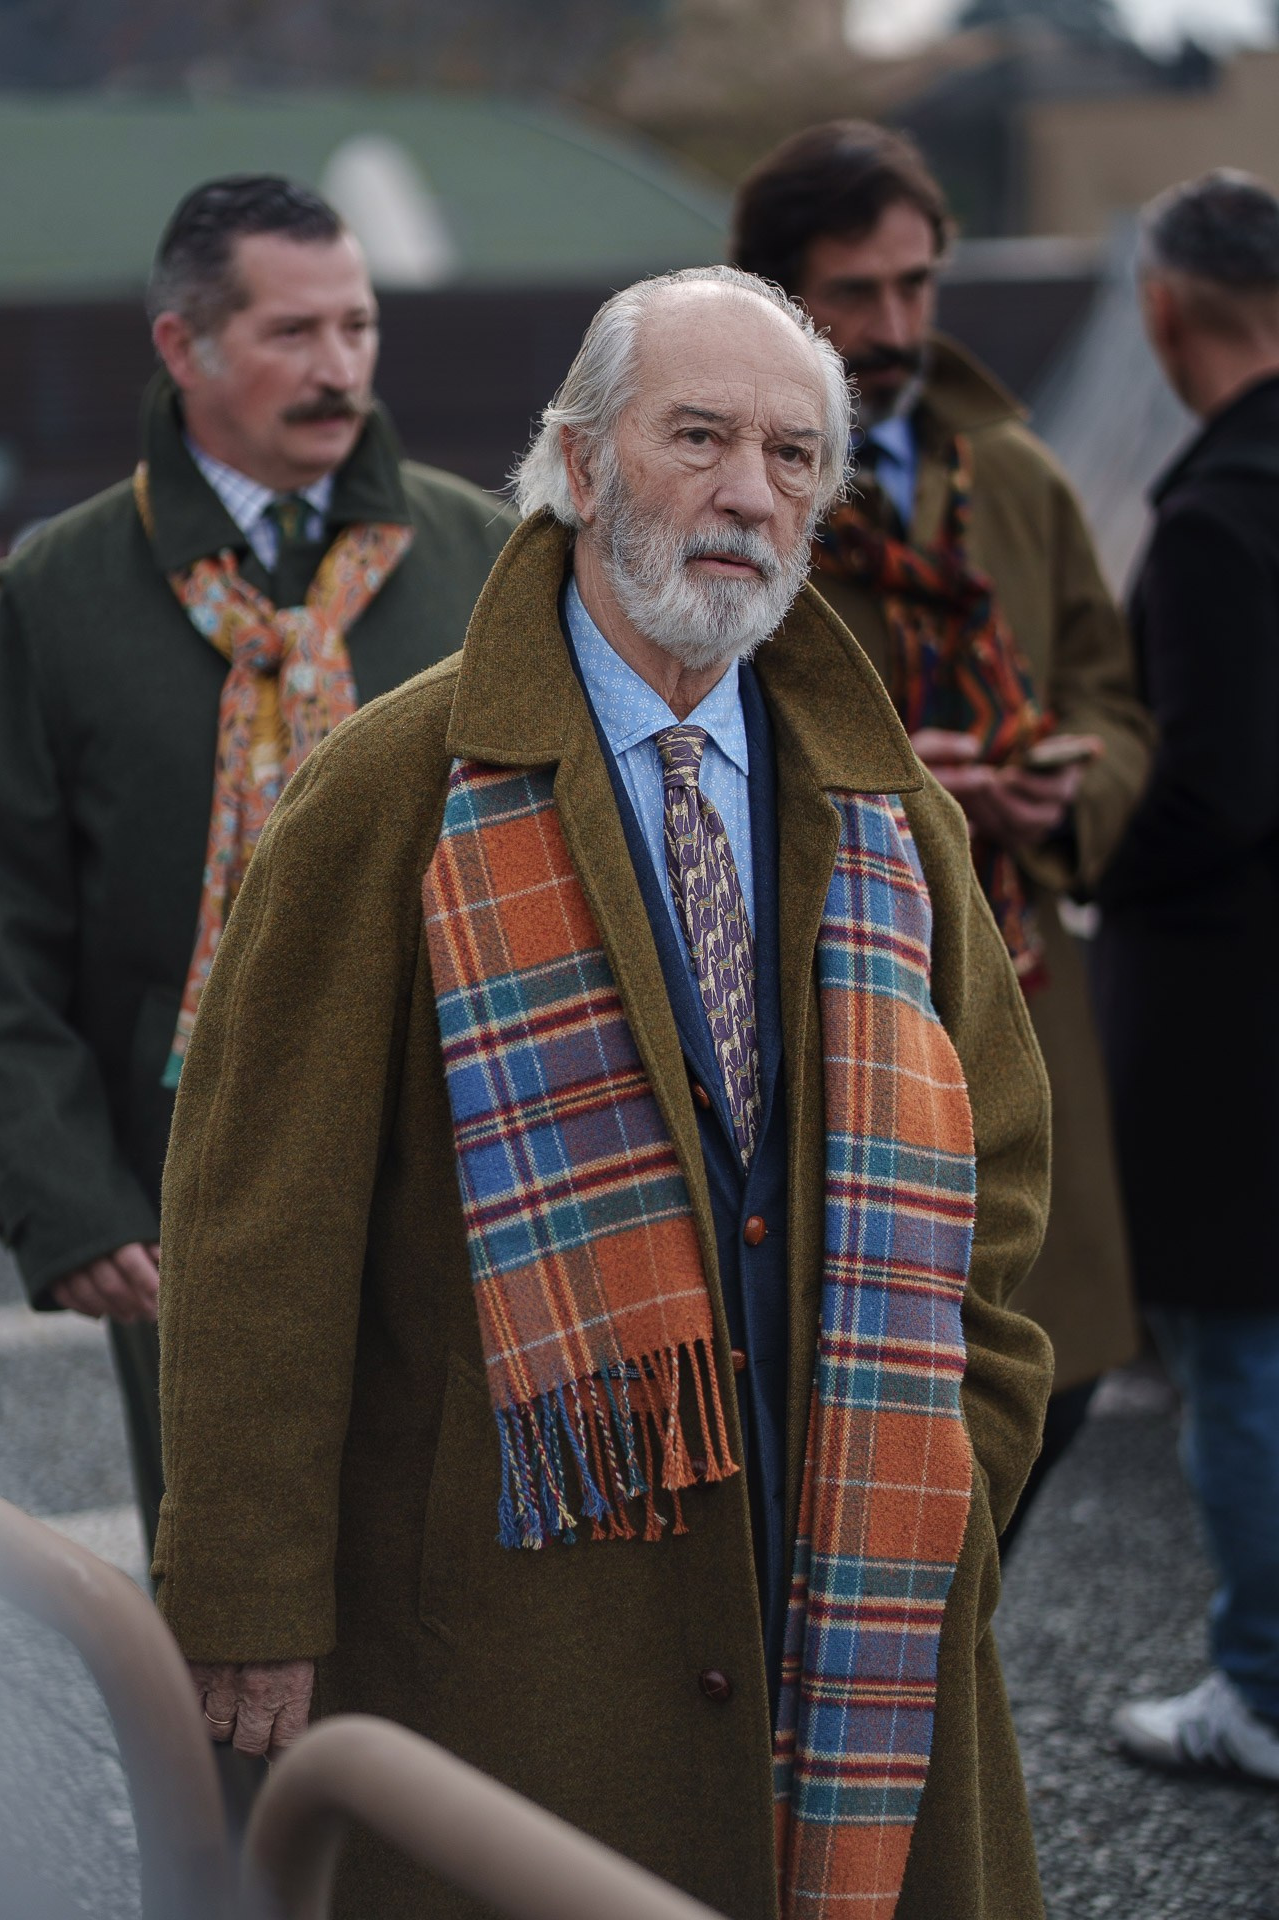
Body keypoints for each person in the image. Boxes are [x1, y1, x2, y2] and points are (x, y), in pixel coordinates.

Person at [155, 265, 1056, 1920]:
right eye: (697, 436)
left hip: (851, 1559)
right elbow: (259, 1235)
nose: (749, 493)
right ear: (577, 464)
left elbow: (1000, 1180)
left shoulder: (890, 811)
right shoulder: (386, 794)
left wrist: (958, 1465)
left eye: (793, 456)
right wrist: (248, 1593)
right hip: (511, 1622)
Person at [0, 175, 514, 1553]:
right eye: (293, 332)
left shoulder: (487, 558)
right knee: (238, 1576)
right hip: (190, 1180)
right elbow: (9, 929)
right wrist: (66, 1198)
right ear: (183, 345)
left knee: (464, 1567)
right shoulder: (55, 593)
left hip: (470, 1150)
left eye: (358, 325)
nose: (339, 366)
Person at [731, 123, 1152, 1540]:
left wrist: (1068, 787)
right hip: (819, 1003)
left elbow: (1106, 690)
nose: (898, 325)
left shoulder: (1012, 476)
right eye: (855, 292)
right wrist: (900, 793)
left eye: (916, 284)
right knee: (849, 1408)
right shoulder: (736, 484)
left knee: (1054, 1375)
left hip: (1021, 989)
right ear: (781, 299)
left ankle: (942, 1653)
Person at [1093, 171, 1279, 1782]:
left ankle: (1264, 1689)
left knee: (1243, 1354)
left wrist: (1078, 837)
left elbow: (1215, 790)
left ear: (1164, 310)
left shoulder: (1224, 512)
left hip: (1236, 1019)